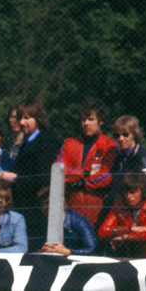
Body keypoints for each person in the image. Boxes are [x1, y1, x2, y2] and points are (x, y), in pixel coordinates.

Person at [0, 101, 61, 251]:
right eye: (20, 118)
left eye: (27, 118)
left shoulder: (46, 141)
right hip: (24, 209)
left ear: (38, 118)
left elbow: (43, 177)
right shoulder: (28, 141)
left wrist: (15, 179)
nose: (22, 122)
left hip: (37, 210)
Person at [57, 98, 117, 229]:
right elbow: (59, 172)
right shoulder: (69, 143)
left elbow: (106, 177)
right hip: (70, 207)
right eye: (83, 120)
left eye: (90, 119)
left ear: (100, 121)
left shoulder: (109, 145)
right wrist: (86, 173)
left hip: (97, 209)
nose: (86, 124)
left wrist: (83, 183)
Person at [98, 172, 146, 260]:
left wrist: (125, 237)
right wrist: (130, 229)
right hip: (132, 254)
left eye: (133, 192)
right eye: (126, 192)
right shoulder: (120, 203)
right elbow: (103, 231)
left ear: (142, 191)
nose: (129, 196)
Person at [101, 115, 146, 222]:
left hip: (132, 216)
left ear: (134, 135)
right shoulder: (119, 157)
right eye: (117, 135)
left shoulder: (143, 158)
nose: (121, 139)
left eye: (125, 134)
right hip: (115, 212)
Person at [39, 185, 97, 256]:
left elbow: (92, 248)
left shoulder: (79, 221)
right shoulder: (43, 223)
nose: (45, 207)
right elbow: (38, 246)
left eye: (49, 203)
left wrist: (67, 252)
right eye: (42, 204)